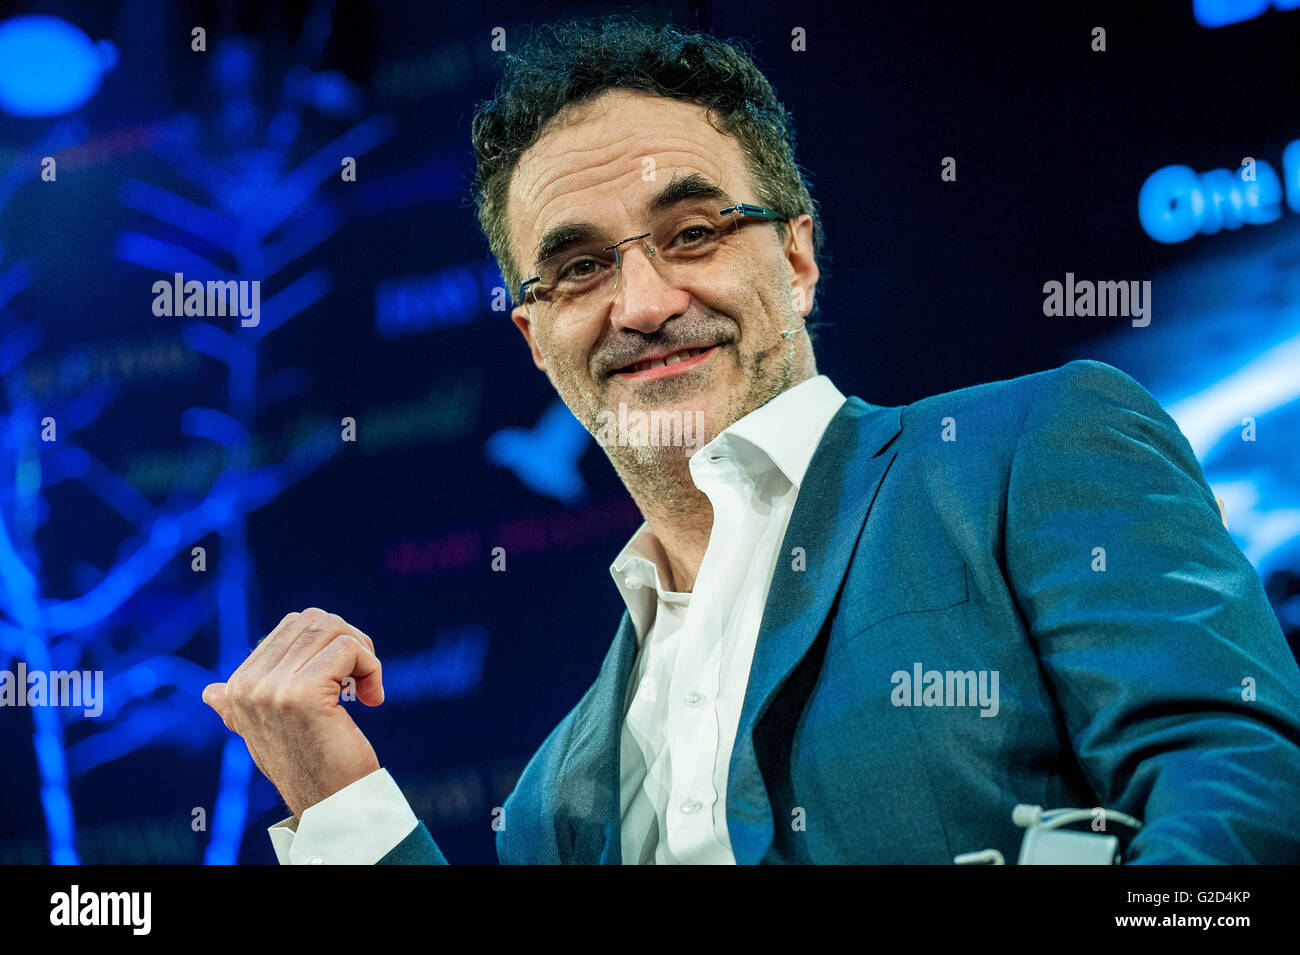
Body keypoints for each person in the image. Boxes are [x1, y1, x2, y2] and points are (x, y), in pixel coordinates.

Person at [201, 16, 1300, 864]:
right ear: (535, 339)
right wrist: (340, 807)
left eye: (693, 232)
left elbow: (1243, 789)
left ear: (799, 258)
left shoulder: (1032, 446)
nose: (640, 300)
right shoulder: (549, 796)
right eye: (580, 266)